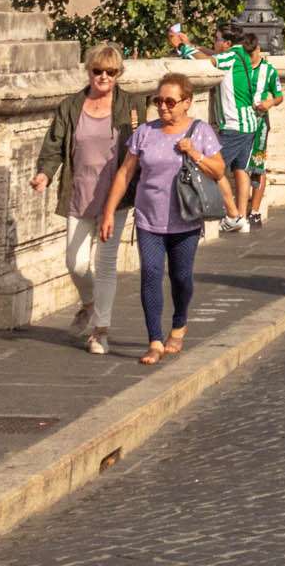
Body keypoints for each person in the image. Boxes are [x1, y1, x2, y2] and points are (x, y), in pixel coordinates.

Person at [97, 72, 228, 368]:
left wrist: (193, 152)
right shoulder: (145, 132)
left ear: (186, 102)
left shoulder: (200, 131)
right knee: (151, 275)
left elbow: (218, 171)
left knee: (181, 277)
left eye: (170, 101)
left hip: (185, 218)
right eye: (159, 101)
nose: (164, 107)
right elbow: (125, 173)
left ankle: (179, 323)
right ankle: (154, 340)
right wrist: (108, 211)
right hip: (148, 218)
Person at [37, 47, 139, 354]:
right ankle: (91, 303)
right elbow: (54, 144)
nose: (104, 77)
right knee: (76, 262)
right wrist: (45, 173)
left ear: (119, 75)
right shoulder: (71, 105)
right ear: (89, 72)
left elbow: (140, 149)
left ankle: (101, 331)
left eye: (111, 72)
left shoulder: (131, 107)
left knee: (105, 264)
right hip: (78, 191)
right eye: (98, 71)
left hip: (115, 197)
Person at [214, 27, 284, 235]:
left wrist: (269, 102)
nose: (252, 56)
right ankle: (242, 216)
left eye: (254, 53)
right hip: (247, 123)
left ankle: (249, 212)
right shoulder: (242, 60)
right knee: (241, 169)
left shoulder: (267, 70)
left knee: (255, 166)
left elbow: (279, 96)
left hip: (255, 124)